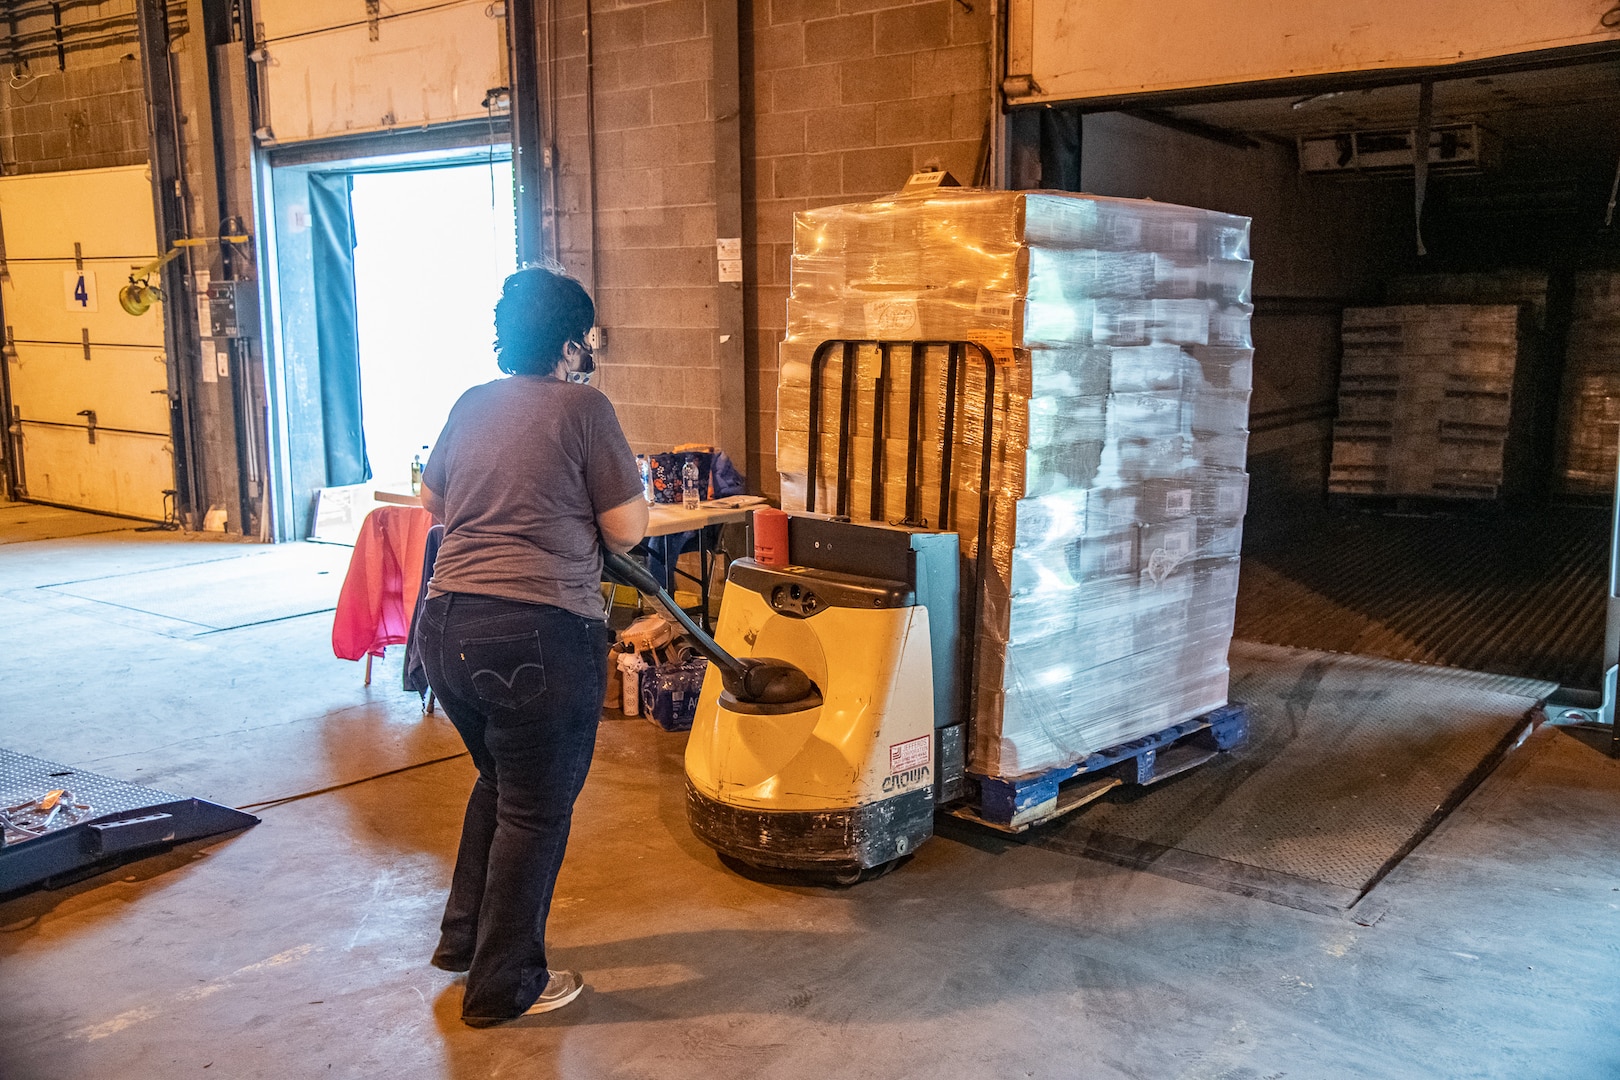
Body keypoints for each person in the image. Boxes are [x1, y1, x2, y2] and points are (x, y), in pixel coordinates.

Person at [415, 265, 648, 1026]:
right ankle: (503, 987)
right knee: (536, 812)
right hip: (540, 631)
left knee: (499, 783)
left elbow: (436, 504)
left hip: (448, 624)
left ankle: (463, 942)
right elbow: (627, 529)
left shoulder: (471, 402)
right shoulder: (584, 408)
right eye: (587, 339)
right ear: (572, 342)